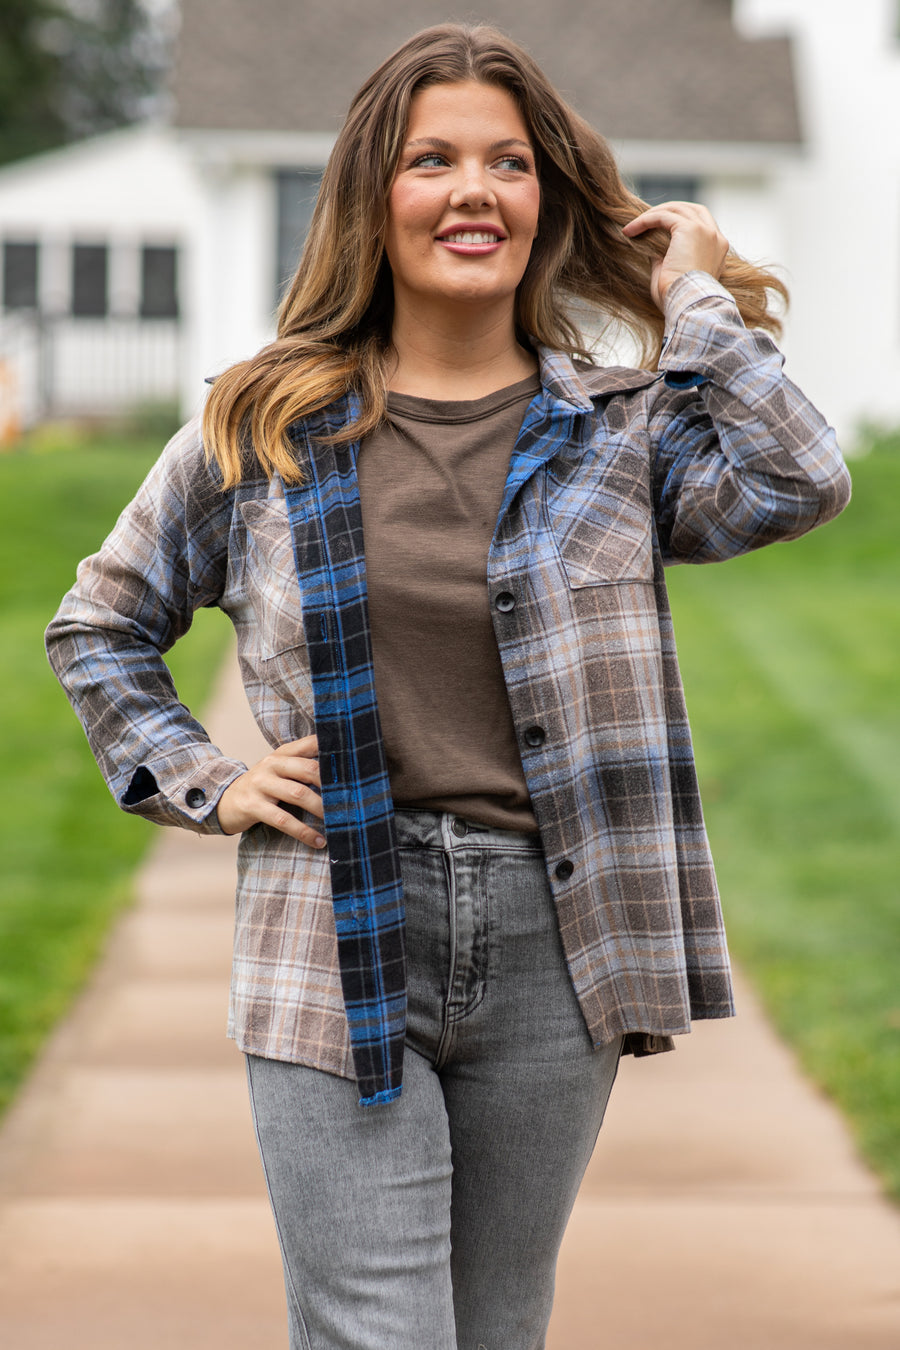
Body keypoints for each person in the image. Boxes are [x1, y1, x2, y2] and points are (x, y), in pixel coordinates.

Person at [46, 22, 850, 1350]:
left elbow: (798, 478)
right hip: (336, 917)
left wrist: (689, 295)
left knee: (493, 1330)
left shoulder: (622, 432)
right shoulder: (263, 425)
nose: (473, 189)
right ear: (375, 194)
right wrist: (212, 776)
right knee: (381, 1333)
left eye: (509, 163)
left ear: (547, 202)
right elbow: (102, 622)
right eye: (433, 159)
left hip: (557, 939)